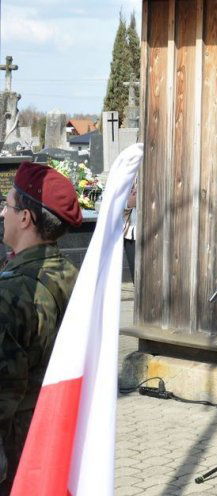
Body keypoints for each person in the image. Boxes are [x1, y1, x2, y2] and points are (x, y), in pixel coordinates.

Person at [0, 161, 82, 492]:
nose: (2, 213)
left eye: (6, 205)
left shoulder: (12, 292)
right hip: (56, 438)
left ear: (25, 218)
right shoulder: (71, 273)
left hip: (16, 452)